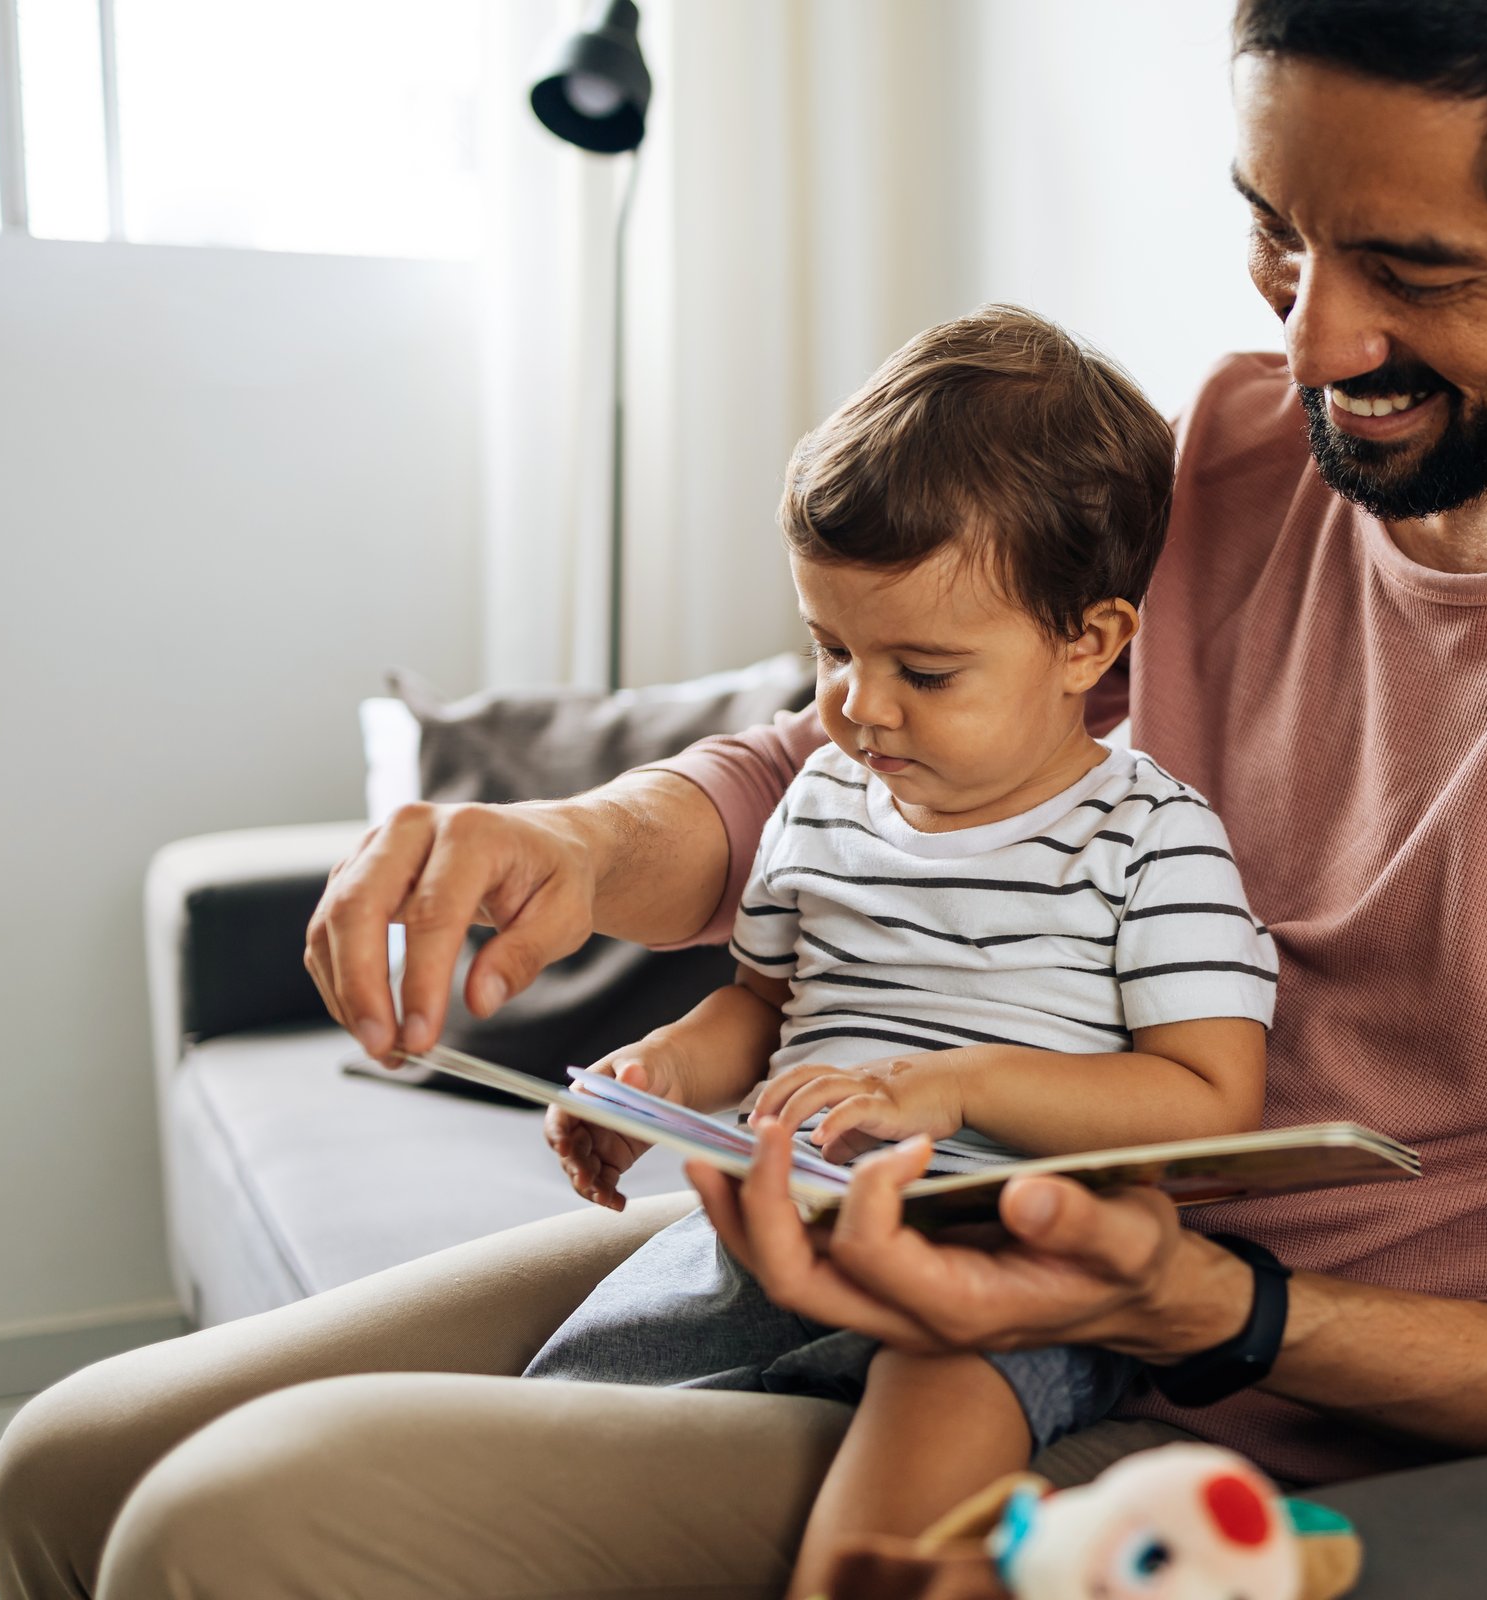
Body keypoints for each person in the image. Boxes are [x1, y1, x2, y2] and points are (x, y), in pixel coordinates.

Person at [0, 2, 1487, 1595]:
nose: (1312, 340)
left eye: (1407, 264)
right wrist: (588, 847)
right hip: (892, 1221)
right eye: (1274, 229)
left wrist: (1208, 1300)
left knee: (228, 1531)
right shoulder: (1245, 445)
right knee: (67, 1456)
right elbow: (882, 757)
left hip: (1221, 1401)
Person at [527, 305, 1278, 1600]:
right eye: (831, 650)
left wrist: (957, 1086)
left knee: (943, 1399)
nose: (857, 706)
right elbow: (762, 1006)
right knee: (553, 1418)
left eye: (923, 671)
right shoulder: (823, 801)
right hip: (775, 1235)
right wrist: (657, 1078)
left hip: (1007, 1266)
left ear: (1086, 644)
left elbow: (1212, 1105)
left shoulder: (1152, 836)